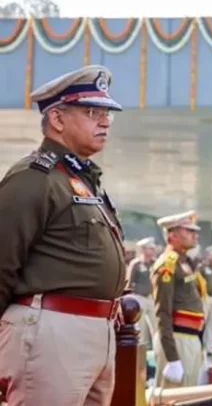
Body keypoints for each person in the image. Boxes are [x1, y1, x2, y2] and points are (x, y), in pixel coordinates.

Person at [0, 65, 126, 406]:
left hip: (93, 330)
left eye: (107, 114)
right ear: (57, 118)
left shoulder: (78, 179)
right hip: (51, 330)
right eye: (92, 112)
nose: (105, 122)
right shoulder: (34, 177)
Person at [151, 210, 207, 388]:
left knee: (188, 395)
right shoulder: (167, 265)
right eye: (189, 230)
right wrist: (172, 358)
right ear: (172, 235)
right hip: (177, 339)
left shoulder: (186, 261)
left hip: (191, 338)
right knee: (173, 396)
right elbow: (162, 313)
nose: (195, 234)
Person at [126, 236, 159, 348]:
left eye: (153, 249)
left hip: (151, 297)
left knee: (156, 326)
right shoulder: (136, 264)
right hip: (139, 297)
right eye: (150, 248)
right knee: (141, 328)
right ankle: (141, 350)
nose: (152, 251)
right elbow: (129, 282)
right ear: (143, 249)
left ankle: (157, 348)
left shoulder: (155, 263)